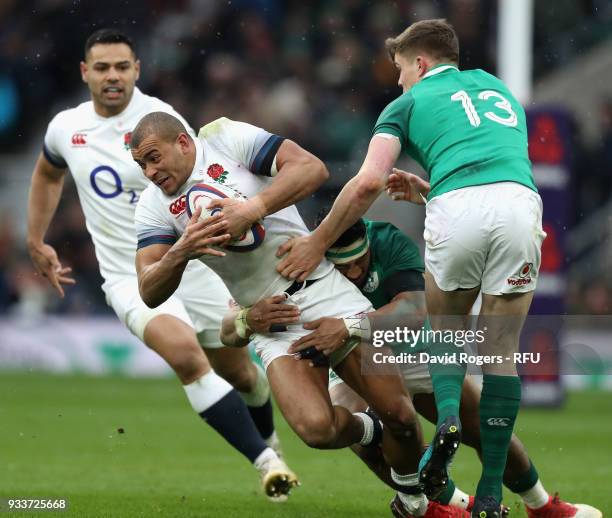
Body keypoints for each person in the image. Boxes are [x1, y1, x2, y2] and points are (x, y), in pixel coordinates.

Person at [273, 18, 549, 517]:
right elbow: (488, 163)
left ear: (419, 63)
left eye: (400, 68)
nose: (397, 78)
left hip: (457, 210)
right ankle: (490, 491)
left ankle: (445, 420)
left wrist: (317, 241)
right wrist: (429, 187)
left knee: (445, 329)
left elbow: (365, 184)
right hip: (519, 200)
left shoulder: (404, 104)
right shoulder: (496, 88)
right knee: (500, 351)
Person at [131, 111, 457, 517]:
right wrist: (182, 250)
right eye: (141, 164)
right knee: (316, 430)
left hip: (324, 291)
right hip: (272, 320)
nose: (149, 171)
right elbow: (148, 290)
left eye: (153, 157)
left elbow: (311, 168)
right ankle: (378, 441)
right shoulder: (152, 207)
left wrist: (252, 209)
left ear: (182, 142)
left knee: (403, 417)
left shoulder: (225, 137)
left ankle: (419, 499)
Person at [26, 28, 297, 501]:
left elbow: (210, 183)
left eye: (122, 66)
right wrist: (35, 238)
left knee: (240, 373)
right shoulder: (64, 128)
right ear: (85, 73)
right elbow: (48, 173)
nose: (113, 76)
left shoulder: (165, 120)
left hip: (198, 266)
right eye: (103, 67)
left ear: (137, 70)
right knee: (186, 357)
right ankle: (266, 462)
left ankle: (267, 438)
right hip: (132, 276)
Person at [291, 215, 599, 517]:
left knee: (486, 429)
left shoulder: (386, 239)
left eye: (361, 260)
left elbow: (414, 309)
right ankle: (440, 506)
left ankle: (541, 505)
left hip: (412, 348)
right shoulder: (307, 257)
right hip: (354, 356)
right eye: (344, 267)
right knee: (367, 432)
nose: (356, 270)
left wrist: (348, 325)